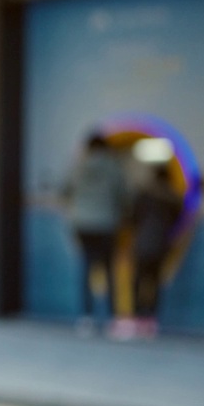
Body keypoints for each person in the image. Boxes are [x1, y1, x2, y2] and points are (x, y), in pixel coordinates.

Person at [64, 133, 128, 335]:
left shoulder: (78, 167)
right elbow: (125, 196)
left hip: (82, 224)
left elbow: (65, 191)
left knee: (85, 268)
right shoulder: (114, 167)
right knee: (109, 270)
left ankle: (87, 318)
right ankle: (112, 318)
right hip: (107, 224)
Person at [130, 165, 183, 338]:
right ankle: (151, 318)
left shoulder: (144, 195)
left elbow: (133, 217)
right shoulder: (173, 198)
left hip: (142, 241)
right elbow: (179, 219)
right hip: (162, 244)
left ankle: (137, 315)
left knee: (138, 279)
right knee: (155, 280)